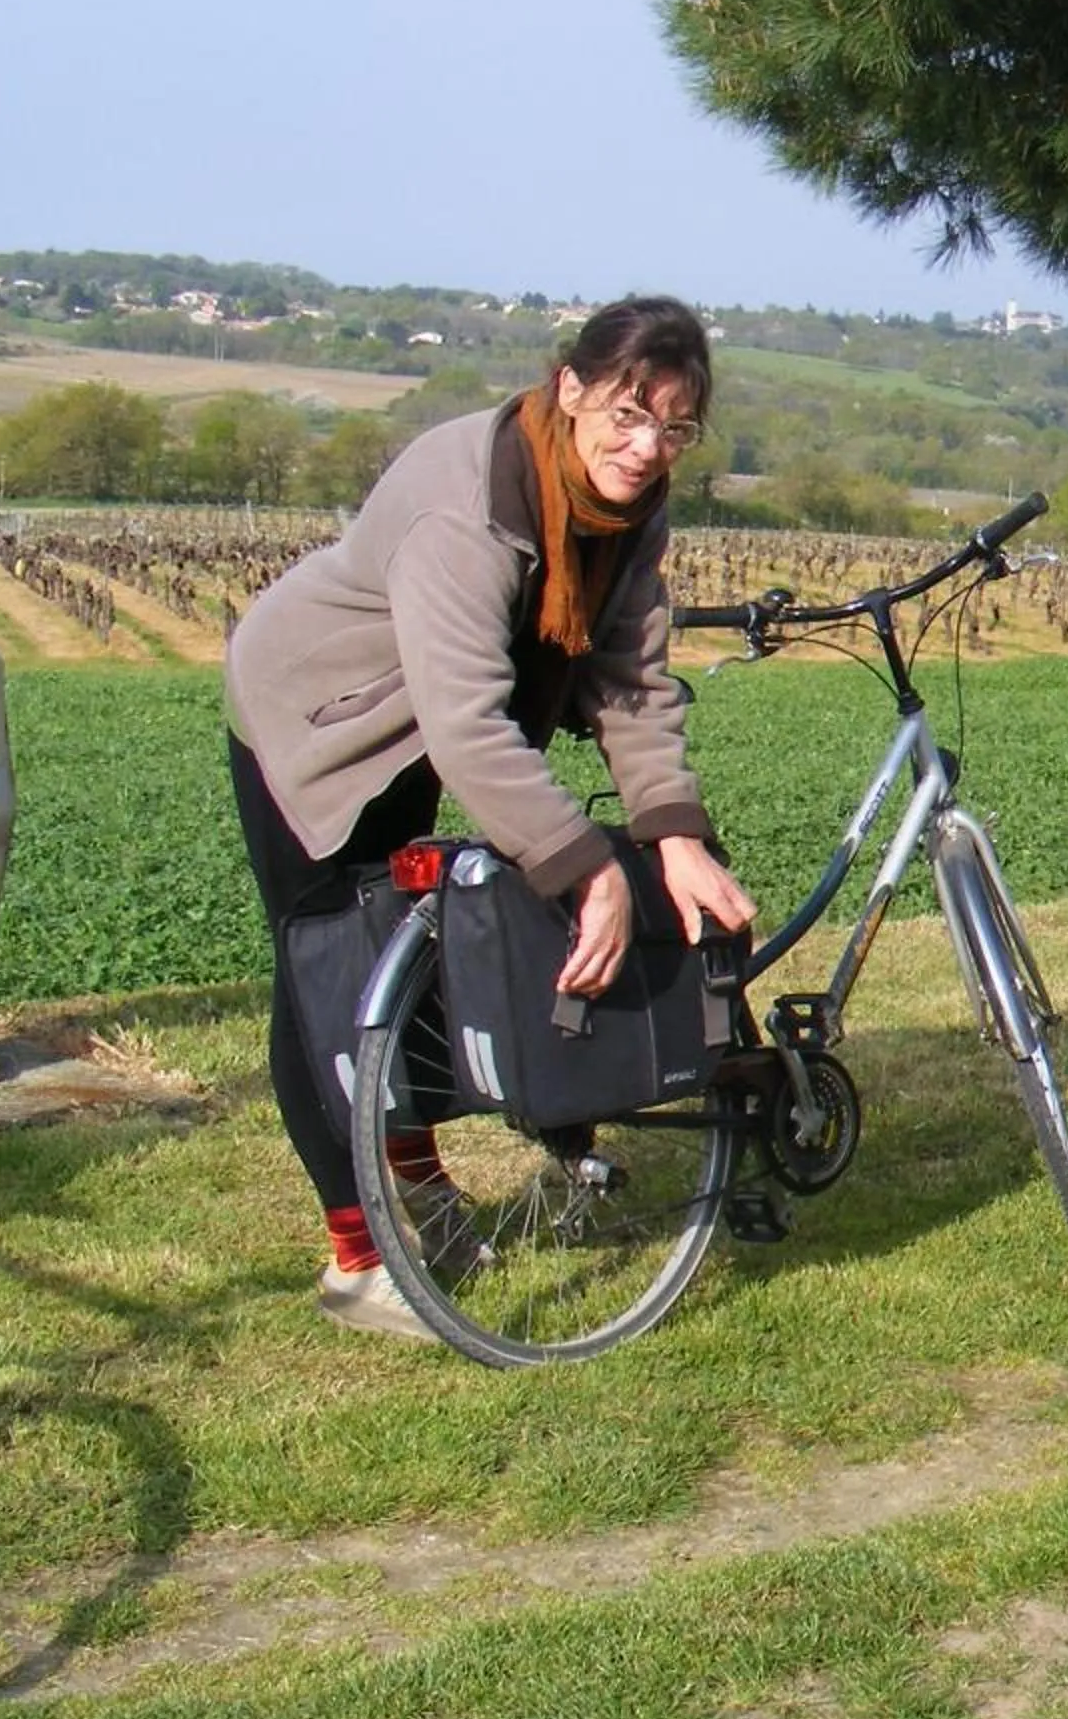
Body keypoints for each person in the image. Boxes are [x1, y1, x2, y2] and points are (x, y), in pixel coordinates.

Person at [227, 296, 757, 1343]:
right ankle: (358, 1259)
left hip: (419, 734)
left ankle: (418, 1183)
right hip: (320, 726)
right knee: (327, 976)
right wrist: (591, 871)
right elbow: (469, 725)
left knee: (412, 958)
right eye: (625, 415)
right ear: (570, 390)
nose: (647, 448)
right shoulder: (465, 505)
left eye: (674, 428)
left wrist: (673, 836)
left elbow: (633, 684)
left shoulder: (630, 512)